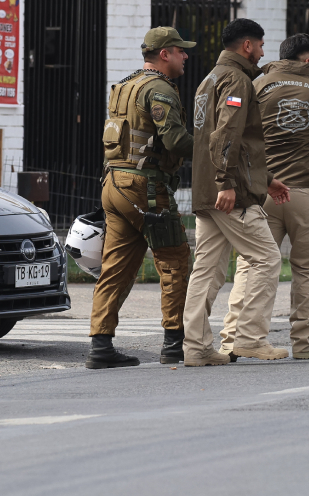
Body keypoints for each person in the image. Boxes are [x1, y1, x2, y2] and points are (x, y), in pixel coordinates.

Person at [219, 34, 309, 360]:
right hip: (308, 191)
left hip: (262, 191)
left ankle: (233, 340)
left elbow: (240, 133)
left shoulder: (256, 85)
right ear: (308, 60)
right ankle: (307, 342)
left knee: (251, 264)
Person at [181, 19, 291, 367]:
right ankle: (249, 338)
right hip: (229, 192)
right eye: (260, 45)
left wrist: (266, 178)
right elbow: (225, 136)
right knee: (267, 258)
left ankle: (196, 348)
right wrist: (226, 183)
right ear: (247, 45)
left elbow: (218, 137)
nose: (262, 52)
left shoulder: (208, 80)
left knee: (207, 270)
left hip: (205, 189)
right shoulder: (237, 80)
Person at [88, 27, 195, 368]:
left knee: (116, 268)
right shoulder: (160, 88)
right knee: (174, 260)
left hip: (114, 185)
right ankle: (174, 344)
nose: (185, 56)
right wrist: (212, 145)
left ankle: (101, 346)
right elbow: (175, 140)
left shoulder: (124, 86)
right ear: (164, 54)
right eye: (180, 51)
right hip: (146, 189)